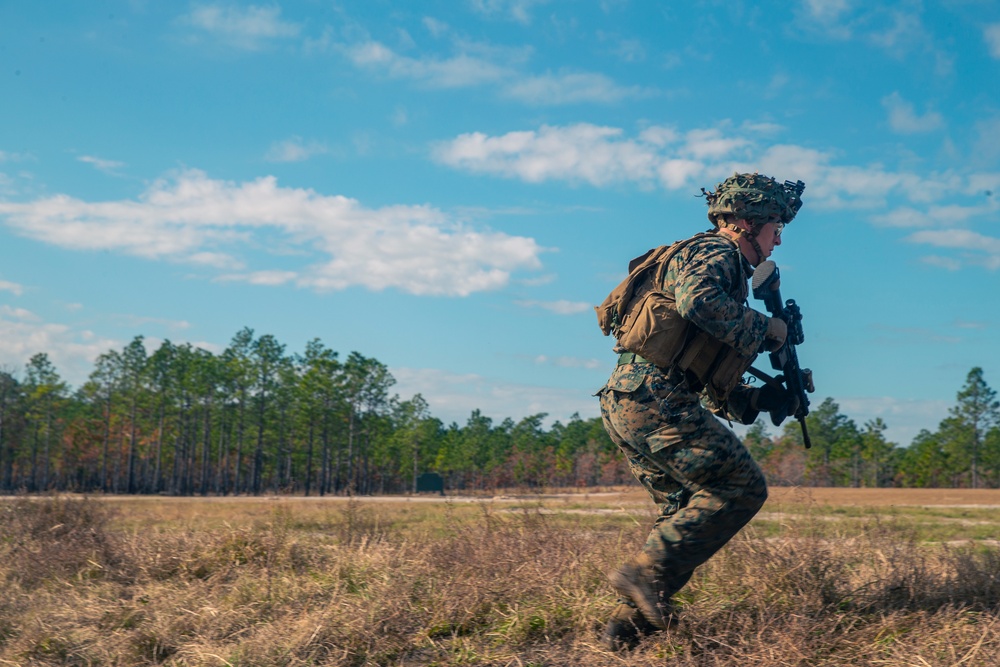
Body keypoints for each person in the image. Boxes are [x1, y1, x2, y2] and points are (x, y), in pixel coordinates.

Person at [596, 172, 804, 650]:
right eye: (776, 228)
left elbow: (708, 385)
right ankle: (642, 579)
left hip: (633, 399)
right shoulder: (718, 253)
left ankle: (630, 628)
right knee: (741, 487)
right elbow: (699, 303)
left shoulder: (702, 259)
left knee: (684, 512)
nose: (778, 240)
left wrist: (762, 399)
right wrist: (768, 329)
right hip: (656, 398)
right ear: (747, 222)